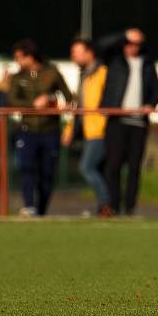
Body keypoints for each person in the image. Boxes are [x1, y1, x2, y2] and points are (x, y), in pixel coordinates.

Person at [97, 28, 158, 215]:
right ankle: (114, 206)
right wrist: (123, 35)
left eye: (137, 44)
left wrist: (150, 103)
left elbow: (156, 90)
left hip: (138, 123)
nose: (133, 47)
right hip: (116, 121)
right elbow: (99, 46)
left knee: (134, 167)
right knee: (113, 165)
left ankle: (130, 208)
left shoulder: (148, 64)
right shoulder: (114, 60)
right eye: (130, 43)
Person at [7, 39, 73, 216]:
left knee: (47, 173)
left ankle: (41, 210)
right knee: (26, 167)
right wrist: (33, 104)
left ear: (30, 56)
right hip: (27, 130)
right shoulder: (17, 77)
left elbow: (68, 96)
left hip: (49, 131)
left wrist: (54, 102)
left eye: (20, 57)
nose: (17, 62)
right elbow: (12, 100)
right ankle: (29, 205)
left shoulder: (52, 73)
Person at [62, 38, 112, 217]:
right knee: (95, 168)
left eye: (77, 52)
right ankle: (105, 205)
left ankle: (106, 204)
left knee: (87, 167)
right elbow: (79, 105)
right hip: (89, 130)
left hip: (100, 130)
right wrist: (69, 130)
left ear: (90, 53)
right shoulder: (84, 75)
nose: (73, 56)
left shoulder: (103, 72)